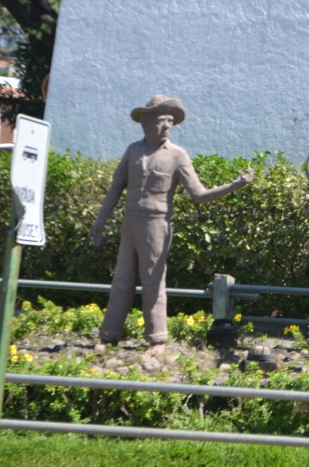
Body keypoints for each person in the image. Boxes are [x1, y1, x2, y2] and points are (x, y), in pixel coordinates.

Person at [90, 95, 254, 346]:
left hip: (157, 225)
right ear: (145, 122)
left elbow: (199, 194)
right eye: (160, 121)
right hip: (130, 223)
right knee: (122, 279)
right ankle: (109, 333)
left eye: (170, 122)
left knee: (153, 281)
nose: (167, 126)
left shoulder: (177, 155)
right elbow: (115, 188)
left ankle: (156, 338)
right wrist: (100, 220)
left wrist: (234, 185)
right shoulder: (132, 151)